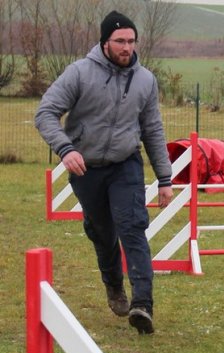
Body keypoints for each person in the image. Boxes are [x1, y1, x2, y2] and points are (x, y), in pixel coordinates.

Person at [35, 10, 174, 334]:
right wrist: (66, 149)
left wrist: (164, 178)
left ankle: (143, 305)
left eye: (131, 41)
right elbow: (46, 113)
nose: (127, 47)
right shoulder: (80, 73)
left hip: (125, 164)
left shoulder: (145, 80)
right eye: (120, 41)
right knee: (102, 233)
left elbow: (152, 129)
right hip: (87, 168)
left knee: (132, 227)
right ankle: (114, 286)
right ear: (105, 42)